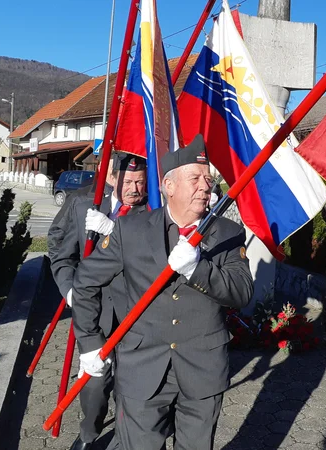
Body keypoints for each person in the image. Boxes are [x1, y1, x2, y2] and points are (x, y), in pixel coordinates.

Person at [71, 135, 254, 450]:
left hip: (202, 369)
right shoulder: (130, 231)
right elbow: (85, 281)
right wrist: (89, 344)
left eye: (208, 179)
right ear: (169, 186)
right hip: (141, 367)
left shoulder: (227, 233)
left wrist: (198, 270)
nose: (205, 186)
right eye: (195, 178)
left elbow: (240, 292)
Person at [48, 153, 149, 450]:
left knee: (131, 380)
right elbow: (60, 249)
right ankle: (89, 433)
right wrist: (68, 289)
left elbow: (153, 254)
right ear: (110, 178)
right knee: (94, 379)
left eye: (141, 182)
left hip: (135, 307)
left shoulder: (153, 210)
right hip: (92, 308)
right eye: (128, 181)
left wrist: (115, 232)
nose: (135, 189)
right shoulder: (82, 203)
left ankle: (124, 435)